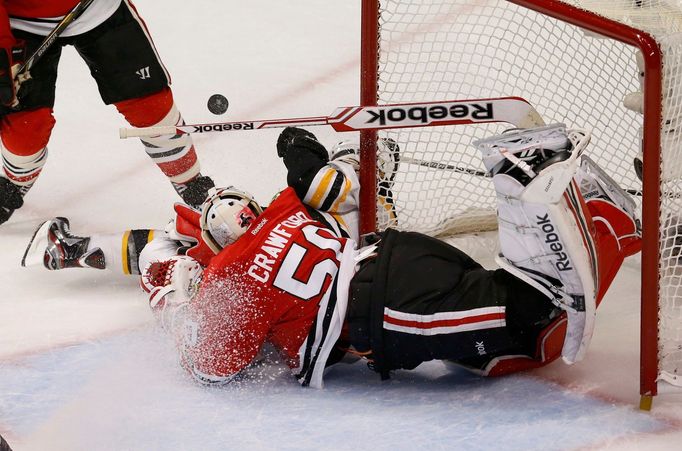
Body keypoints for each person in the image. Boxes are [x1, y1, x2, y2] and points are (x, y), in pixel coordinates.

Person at [23, 125, 642, 388]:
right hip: (399, 260)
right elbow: (357, 177)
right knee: (508, 351)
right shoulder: (280, 214)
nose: (237, 210)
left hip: (387, 310)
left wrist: (170, 285)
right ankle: (587, 210)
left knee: (538, 320)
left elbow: (212, 366)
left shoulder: (237, 273)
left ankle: (532, 174)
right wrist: (310, 160)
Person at [0, 0, 215, 225]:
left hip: (99, 9)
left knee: (150, 107)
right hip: (19, 21)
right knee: (24, 131)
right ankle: (16, 180)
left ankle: (193, 187)